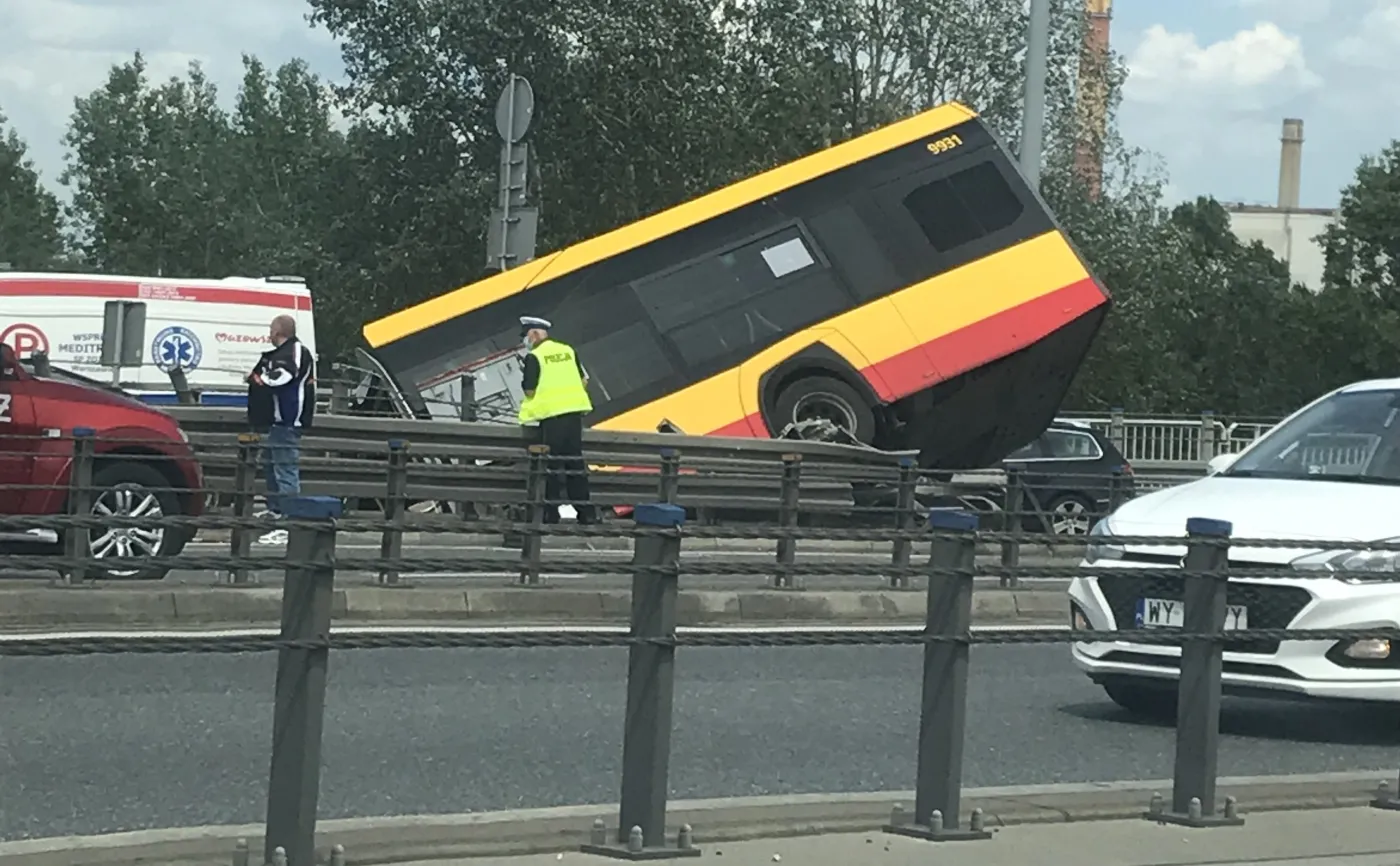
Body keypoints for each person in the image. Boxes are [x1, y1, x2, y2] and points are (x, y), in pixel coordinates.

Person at [518, 316, 596, 524]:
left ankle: (550, 514)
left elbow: (529, 389)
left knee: (550, 466)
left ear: (535, 334)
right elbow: (583, 380)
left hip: (552, 418)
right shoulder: (567, 350)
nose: (526, 341)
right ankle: (587, 514)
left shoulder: (535, 356)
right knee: (575, 464)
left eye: (526, 336)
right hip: (574, 416)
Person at [246, 314, 316, 544]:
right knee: (270, 466)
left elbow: (283, 376)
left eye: (271, 330)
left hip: (288, 420)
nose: (269, 334)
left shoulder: (296, 351)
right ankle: (276, 511)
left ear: (278, 331)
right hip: (277, 422)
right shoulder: (283, 353)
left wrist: (259, 379)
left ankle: (289, 523)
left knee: (286, 471)